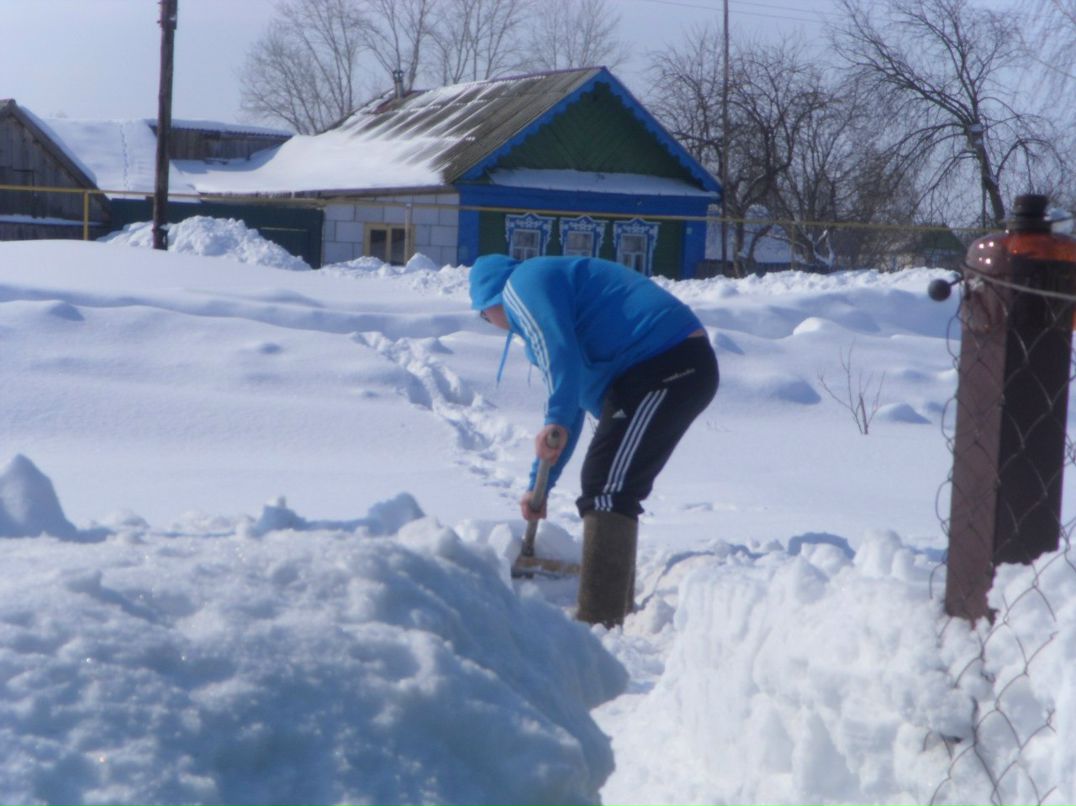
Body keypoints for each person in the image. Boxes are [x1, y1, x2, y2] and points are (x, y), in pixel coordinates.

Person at [469, 253, 718, 627]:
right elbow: (569, 408)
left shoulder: (521, 286)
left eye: (483, 316)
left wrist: (555, 420)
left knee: (607, 486)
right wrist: (541, 485)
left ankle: (601, 618)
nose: (489, 323)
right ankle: (610, 607)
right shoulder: (548, 308)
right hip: (655, 369)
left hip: (665, 362)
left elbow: (560, 356)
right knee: (607, 482)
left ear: (490, 301)